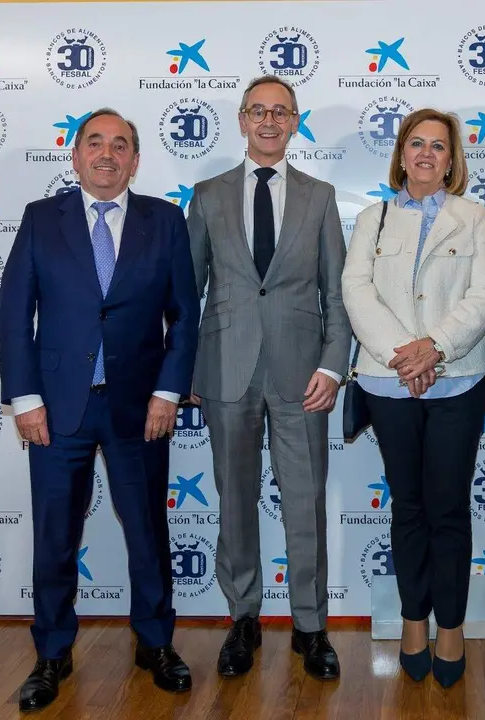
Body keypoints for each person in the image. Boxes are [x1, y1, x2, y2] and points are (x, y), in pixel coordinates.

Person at [0, 108, 200, 712]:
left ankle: (155, 643)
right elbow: (14, 315)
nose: (107, 155)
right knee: (56, 535)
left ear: (136, 160)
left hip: (142, 410)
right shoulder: (41, 219)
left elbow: (184, 315)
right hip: (57, 410)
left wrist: (167, 392)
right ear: (75, 154)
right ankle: (52, 651)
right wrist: (26, 399)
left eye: (120, 146)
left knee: (147, 532)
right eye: (95, 144)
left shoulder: (164, 220)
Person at [186, 75, 351, 681]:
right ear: (241, 119)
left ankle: (310, 626)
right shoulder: (206, 195)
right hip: (226, 370)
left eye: (281, 112)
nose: (269, 120)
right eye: (259, 111)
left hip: (302, 374)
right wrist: (189, 371)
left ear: (295, 120)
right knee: (235, 501)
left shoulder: (320, 196)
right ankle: (243, 619)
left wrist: (333, 364)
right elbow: (187, 292)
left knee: (303, 503)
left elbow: (336, 294)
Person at [342, 108, 485, 688]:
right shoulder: (373, 218)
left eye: (439, 146)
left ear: (452, 158)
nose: (427, 154)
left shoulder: (473, 216)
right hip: (388, 383)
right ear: (402, 153)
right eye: (417, 144)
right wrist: (401, 356)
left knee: (449, 507)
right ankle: (415, 621)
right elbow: (354, 291)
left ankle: (452, 626)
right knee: (408, 507)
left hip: (457, 379)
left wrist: (434, 348)